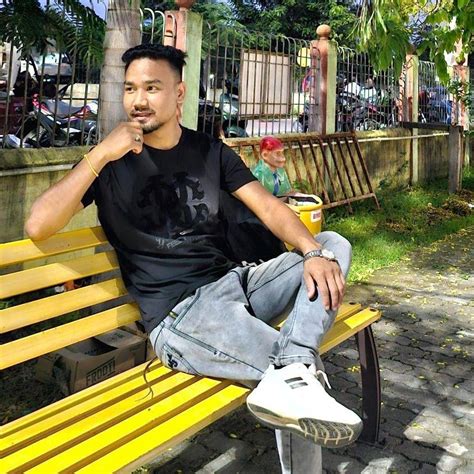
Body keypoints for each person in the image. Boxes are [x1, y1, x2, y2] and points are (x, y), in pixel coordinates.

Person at [24, 44, 362, 473]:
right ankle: (295, 370)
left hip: (237, 284)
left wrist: (311, 252)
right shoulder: (107, 164)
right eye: (130, 88)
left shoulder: (209, 151)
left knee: (332, 246)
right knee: (298, 385)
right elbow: (38, 225)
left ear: (179, 93)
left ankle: (294, 363)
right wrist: (100, 153)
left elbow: (269, 208)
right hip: (181, 314)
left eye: (152, 88)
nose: (138, 100)